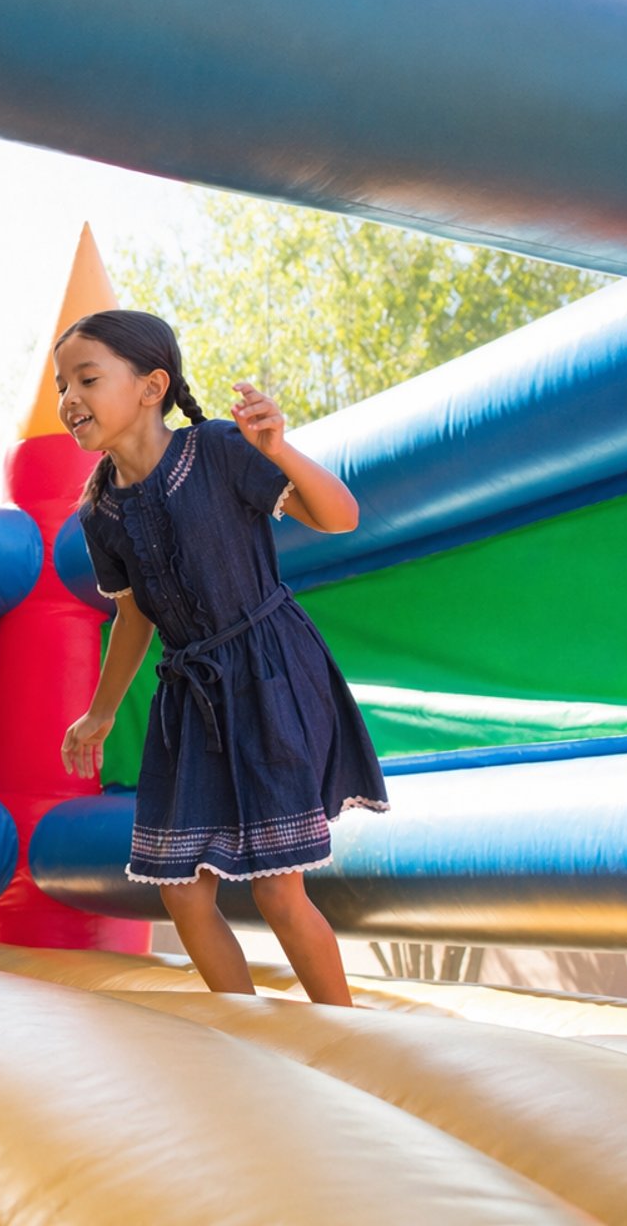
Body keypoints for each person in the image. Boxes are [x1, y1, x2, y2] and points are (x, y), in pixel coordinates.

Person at [54, 310, 387, 1007]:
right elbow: (134, 614)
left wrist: (280, 448)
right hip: (191, 697)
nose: (68, 398)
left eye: (87, 378)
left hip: (268, 673)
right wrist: (101, 712)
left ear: (152, 387)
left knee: (276, 888)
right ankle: (249, 1029)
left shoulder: (217, 451)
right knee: (182, 894)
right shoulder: (100, 511)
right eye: (62, 385)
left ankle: (350, 1034)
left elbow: (340, 516)